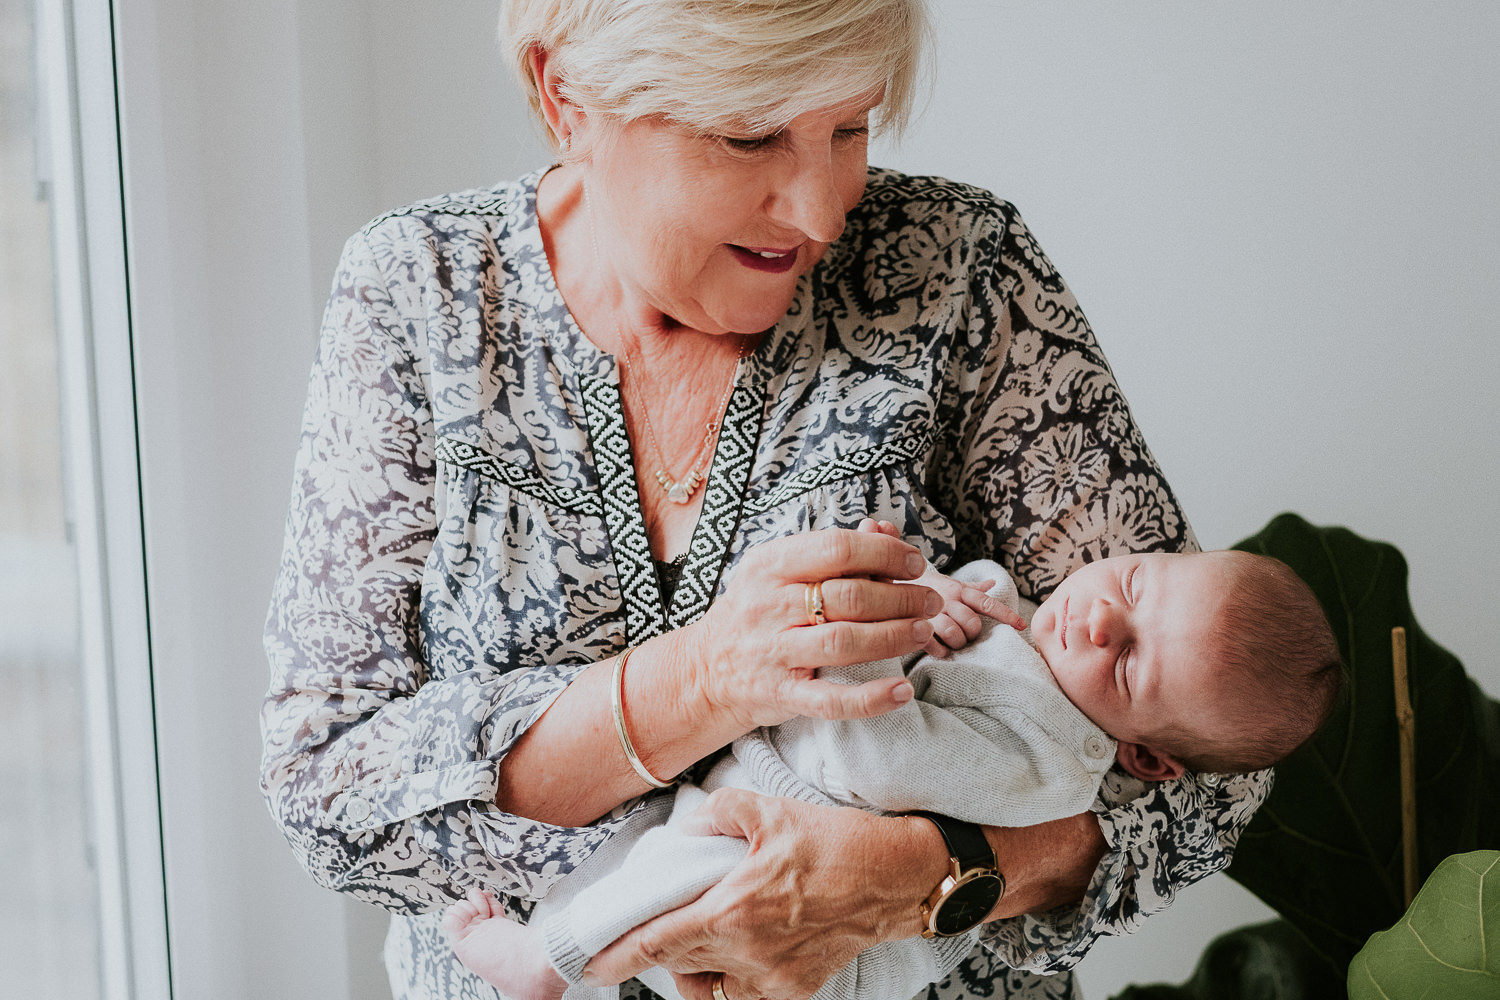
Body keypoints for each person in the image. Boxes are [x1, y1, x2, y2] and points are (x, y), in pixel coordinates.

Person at [259, 2, 1277, 999]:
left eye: (850, 127)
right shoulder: (418, 292)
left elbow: (1214, 763)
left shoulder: (957, 271)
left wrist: (923, 877)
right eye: (749, 136)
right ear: (564, 96)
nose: (823, 207)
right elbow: (327, 789)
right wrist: (703, 680)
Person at [441, 546, 1342, 1000]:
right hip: (753, 797)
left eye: (1135, 662)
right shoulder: (1045, 644)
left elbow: (874, 758)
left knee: (688, 880)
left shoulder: (1053, 761)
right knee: (642, 849)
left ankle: (547, 961)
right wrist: (943, 592)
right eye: (1138, 584)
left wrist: (884, 635)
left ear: (1144, 755)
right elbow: (984, 623)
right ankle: (562, 927)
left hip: (819, 929)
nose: (1103, 620)